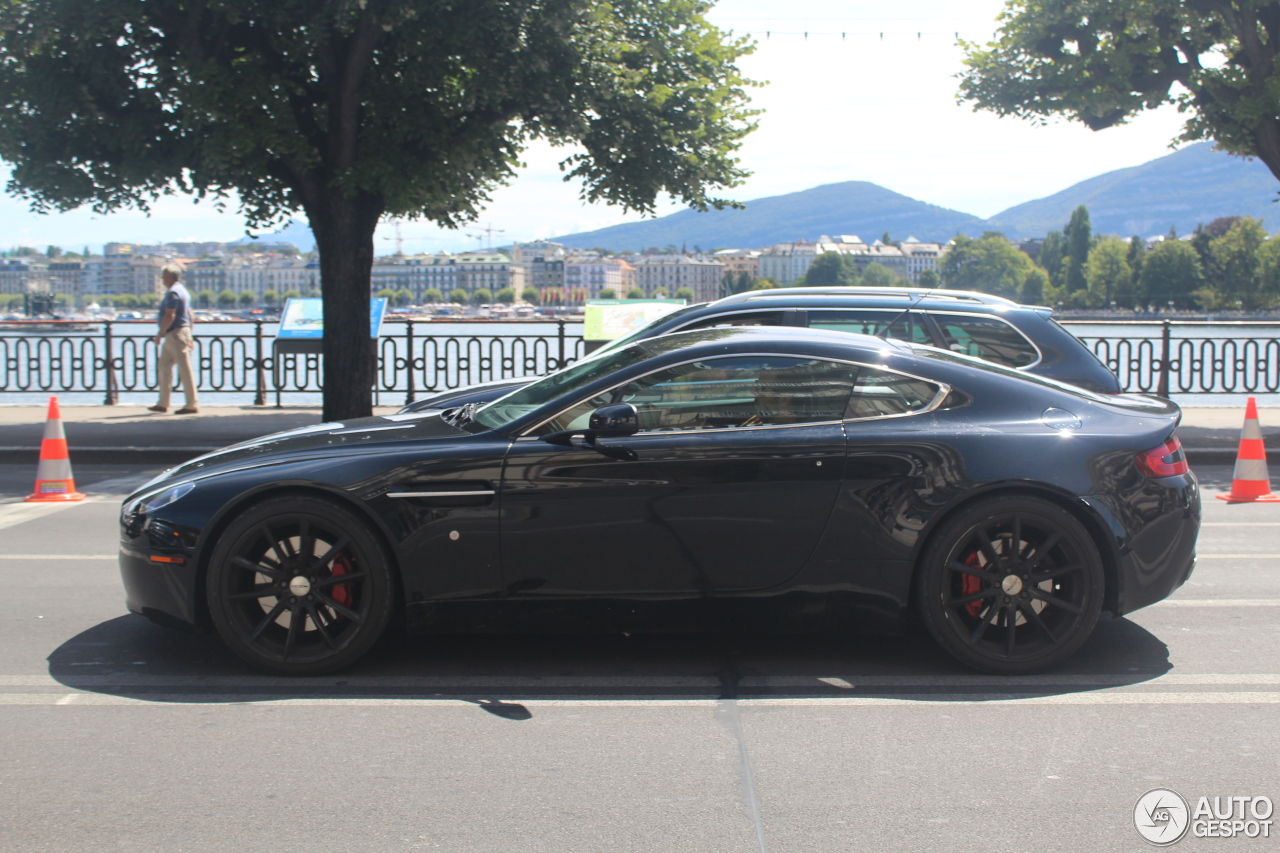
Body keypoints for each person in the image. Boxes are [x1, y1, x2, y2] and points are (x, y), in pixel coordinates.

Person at [147, 264, 199, 414]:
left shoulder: (173, 293)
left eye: (163, 276)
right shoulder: (182, 291)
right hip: (178, 334)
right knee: (163, 367)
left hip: (175, 334)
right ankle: (163, 403)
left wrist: (159, 334)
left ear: (169, 277)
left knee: (185, 369)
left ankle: (192, 404)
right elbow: (190, 314)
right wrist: (190, 334)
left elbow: (170, 315)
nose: (162, 278)